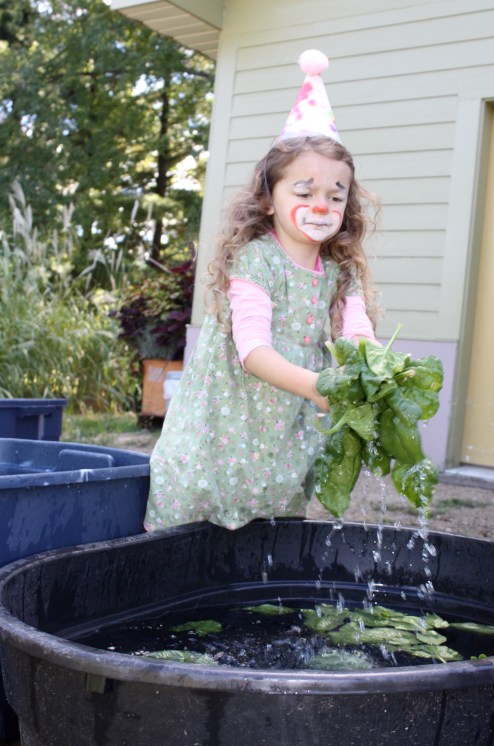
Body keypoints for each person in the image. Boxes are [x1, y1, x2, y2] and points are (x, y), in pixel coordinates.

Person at [144, 49, 378, 532]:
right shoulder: (258, 259)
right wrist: (318, 388)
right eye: (304, 192)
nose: (322, 205)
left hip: (281, 427)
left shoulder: (338, 270)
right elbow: (252, 351)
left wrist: (376, 367)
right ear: (269, 199)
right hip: (227, 417)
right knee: (201, 500)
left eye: (336, 195)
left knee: (271, 507)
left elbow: (356, 332)